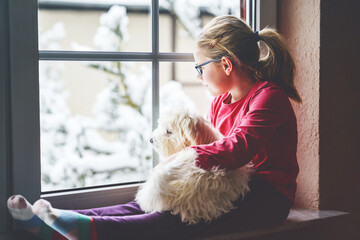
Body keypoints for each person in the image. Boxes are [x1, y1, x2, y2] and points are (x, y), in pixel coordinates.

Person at [7, 15, 301, 240]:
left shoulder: (268, 97)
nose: (198, 76)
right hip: (235, 188)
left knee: (177, 219)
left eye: (200, 67)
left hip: (266, 197)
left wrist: (182, 159)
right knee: (151, 203)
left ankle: (83, 229)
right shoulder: (221, 101)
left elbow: (238, 149)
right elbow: (216, 152)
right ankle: (60, 219)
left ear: (225, 65)